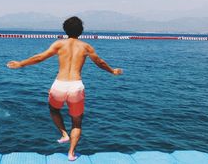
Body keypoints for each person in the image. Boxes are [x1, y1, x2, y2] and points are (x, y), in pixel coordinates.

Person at [7, 16, 123, 161]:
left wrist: (21, 64)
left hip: (59, 85)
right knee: (77, 122)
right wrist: (112, 71)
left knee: (54, 109)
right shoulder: (86, 47)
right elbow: (100, 62)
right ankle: (71, 153)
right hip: (76, 86)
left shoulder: (59, 44)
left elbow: (40, 57)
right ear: (81, 31)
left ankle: (64, 134)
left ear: (65, 30)